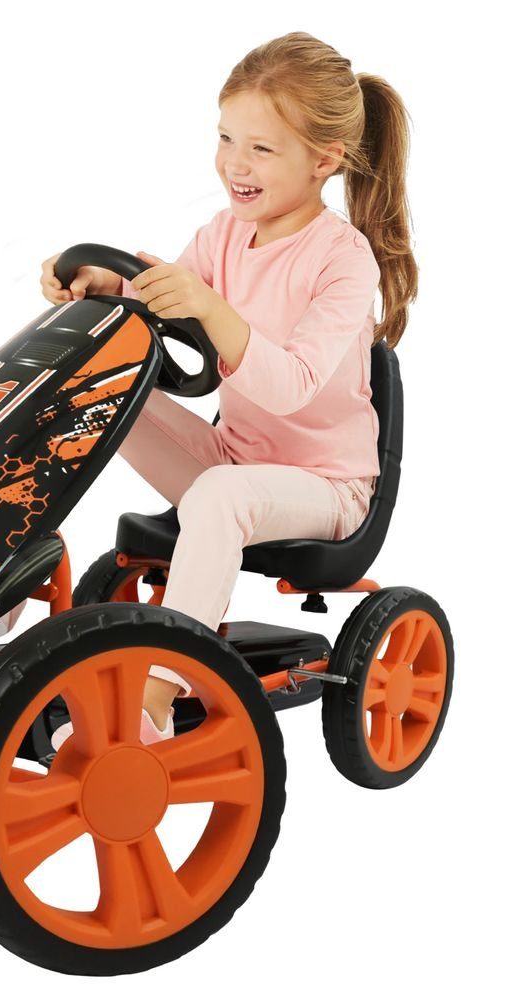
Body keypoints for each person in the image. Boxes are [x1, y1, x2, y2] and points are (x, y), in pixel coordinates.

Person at [39, 31, 418, 751]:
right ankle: (2, 575)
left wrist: (213, 309)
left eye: (261, 149)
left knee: (219, 496)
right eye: (226, 139)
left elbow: (292, 385)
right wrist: (104, 283)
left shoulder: (344, 261)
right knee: (93, 387)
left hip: (326, 487)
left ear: (324, 160)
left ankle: (155, 702)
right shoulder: (223, 233)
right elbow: (159, 306)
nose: (235, 164)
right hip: (233, 458)